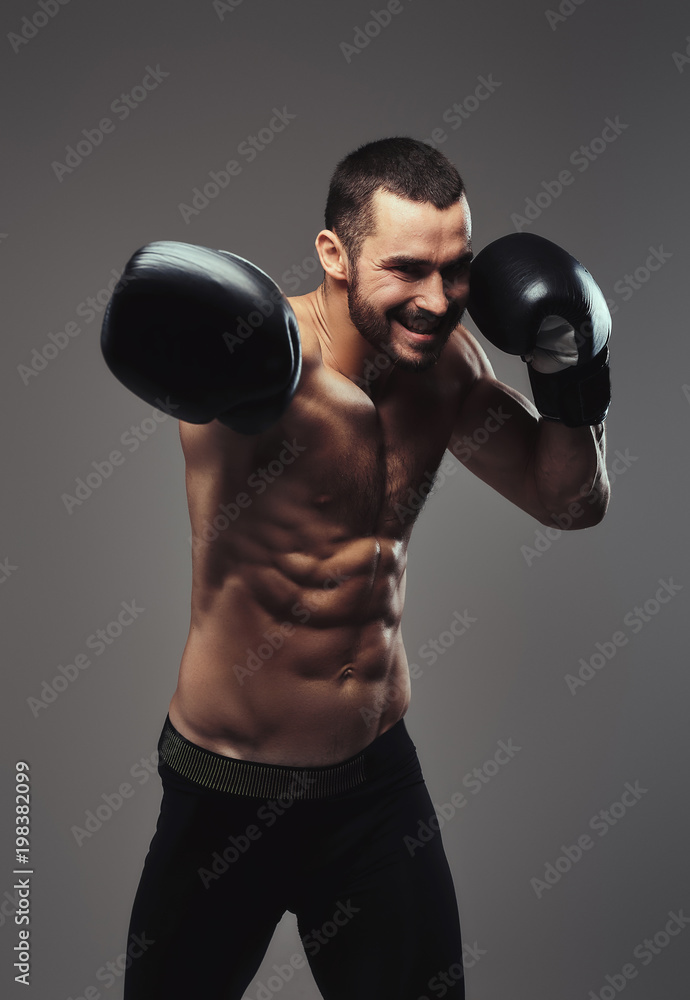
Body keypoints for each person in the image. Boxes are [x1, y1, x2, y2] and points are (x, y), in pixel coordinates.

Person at [101, 136, 611, 999]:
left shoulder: (445, 369)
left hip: (375, 785)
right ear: (333, 254)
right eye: (408, 269)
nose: (439, 299)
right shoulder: (250, 365)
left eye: (457, 270)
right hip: (232, 785)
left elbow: (569, 501)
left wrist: (574, 380)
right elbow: (161, 322)